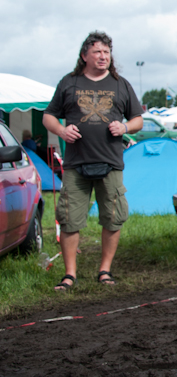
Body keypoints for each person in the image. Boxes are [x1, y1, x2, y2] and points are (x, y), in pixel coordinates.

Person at [43, 31, 143, 290]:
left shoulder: (121, 84)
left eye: (107, 52)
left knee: (113, 218)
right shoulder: (69, 82)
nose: (103, 56)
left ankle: (105, 270)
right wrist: (62, 131)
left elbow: (138, 119)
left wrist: (125, 128)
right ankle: (69, 274)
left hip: (111, 162)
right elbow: (49, 117)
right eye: (97, 51)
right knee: (69, 219)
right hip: (76, 163)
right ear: (84, 55)